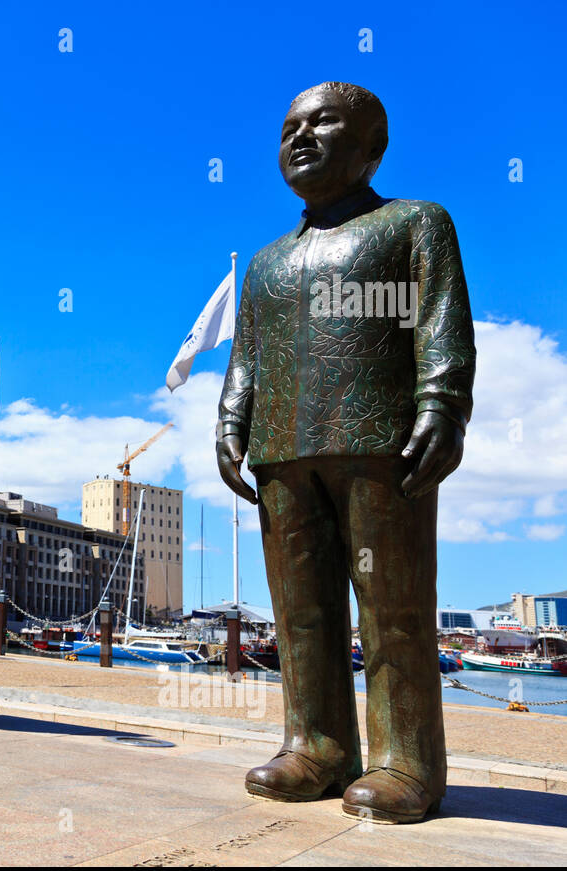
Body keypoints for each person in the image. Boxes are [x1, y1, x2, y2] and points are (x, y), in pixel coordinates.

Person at [216, 82, 475, 823]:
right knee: (300, 612)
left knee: (392, 608)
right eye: (290, 126)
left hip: (379, 442)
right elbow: (248, 357)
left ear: (373, 147)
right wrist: (232, 421)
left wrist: (443, 404)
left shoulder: (414, 223)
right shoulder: (267, 262)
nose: (301, 136)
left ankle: (406, 760)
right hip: (283, 448)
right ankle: (316, 744)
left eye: (323, 122)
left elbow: (441, 321)